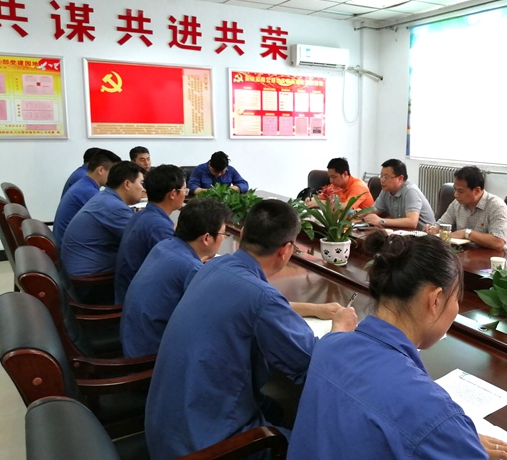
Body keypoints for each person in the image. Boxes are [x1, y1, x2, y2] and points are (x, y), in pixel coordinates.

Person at [288, 232, 507, 460]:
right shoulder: (430, 411)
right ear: (435, 300)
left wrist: (454, 439)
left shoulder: (330, 345)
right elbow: (416, 419)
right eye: (456, 299)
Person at [145, 200, 357, 460]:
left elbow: (256, 303)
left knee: (276, 408)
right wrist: (340, 330)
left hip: (165, 427)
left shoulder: (212, 267)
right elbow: (313, 363)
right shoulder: (262, 298)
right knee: (326, 447)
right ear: (286, 250)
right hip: (203, 446)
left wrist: (314, 309)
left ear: (243, 233)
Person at [120, 199, 232, 358]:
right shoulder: (190, 268)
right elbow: (212, 319)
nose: (224, 238)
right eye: (223, 234)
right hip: (151, 355)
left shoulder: (165, 245)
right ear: (206, 238)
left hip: (133, 339)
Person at [114, 164, 187, 305]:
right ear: (173, 194)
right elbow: (177, 269)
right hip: (140, 302)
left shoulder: (142, 215)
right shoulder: (158, 226)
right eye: (185, 190)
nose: (185, 194)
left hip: (128, 292)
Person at [60, 161, 145, 279]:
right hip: (88, 277)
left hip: (80, 267)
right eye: (141, 183)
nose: (143, 189)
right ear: (127, 184)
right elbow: (142, 240)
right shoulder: (113, 206)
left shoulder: (105, 197)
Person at [428, 166, 507, 250]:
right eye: (455, 189)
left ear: (477, 191)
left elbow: (498, 242)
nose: (455, 195)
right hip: (465, 252)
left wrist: (466, 233)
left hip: (493, 255)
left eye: (460, 191)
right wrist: (433, 229)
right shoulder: (456, 204)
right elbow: (442, 225)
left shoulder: (497, 206)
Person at [53, 150, 121, 245]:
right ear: (101, 170)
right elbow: (115, 217)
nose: (115, 177)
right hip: (72, 247)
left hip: (69, 242)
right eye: (113, 173)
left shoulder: (84, 184)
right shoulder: (87, 191)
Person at [362, 158, 435, 230]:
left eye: (386, 177)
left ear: (400, 178)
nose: (382, 180)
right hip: (403, 233)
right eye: (381, 176)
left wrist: (381, 221)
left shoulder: (410, 191)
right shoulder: (386, 190)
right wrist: (359, 213)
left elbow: (412, 222)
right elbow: (374, 210)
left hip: (425, 234)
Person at [304, 157, 374, 210]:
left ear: (345, 174)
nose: (331, 181)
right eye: (330, 177)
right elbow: (320, 198)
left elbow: (348, 207)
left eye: (334, 177)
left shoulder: (358, 186)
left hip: (363, 222)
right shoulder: (335, 185)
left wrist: (321, 203)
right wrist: (311, 200)